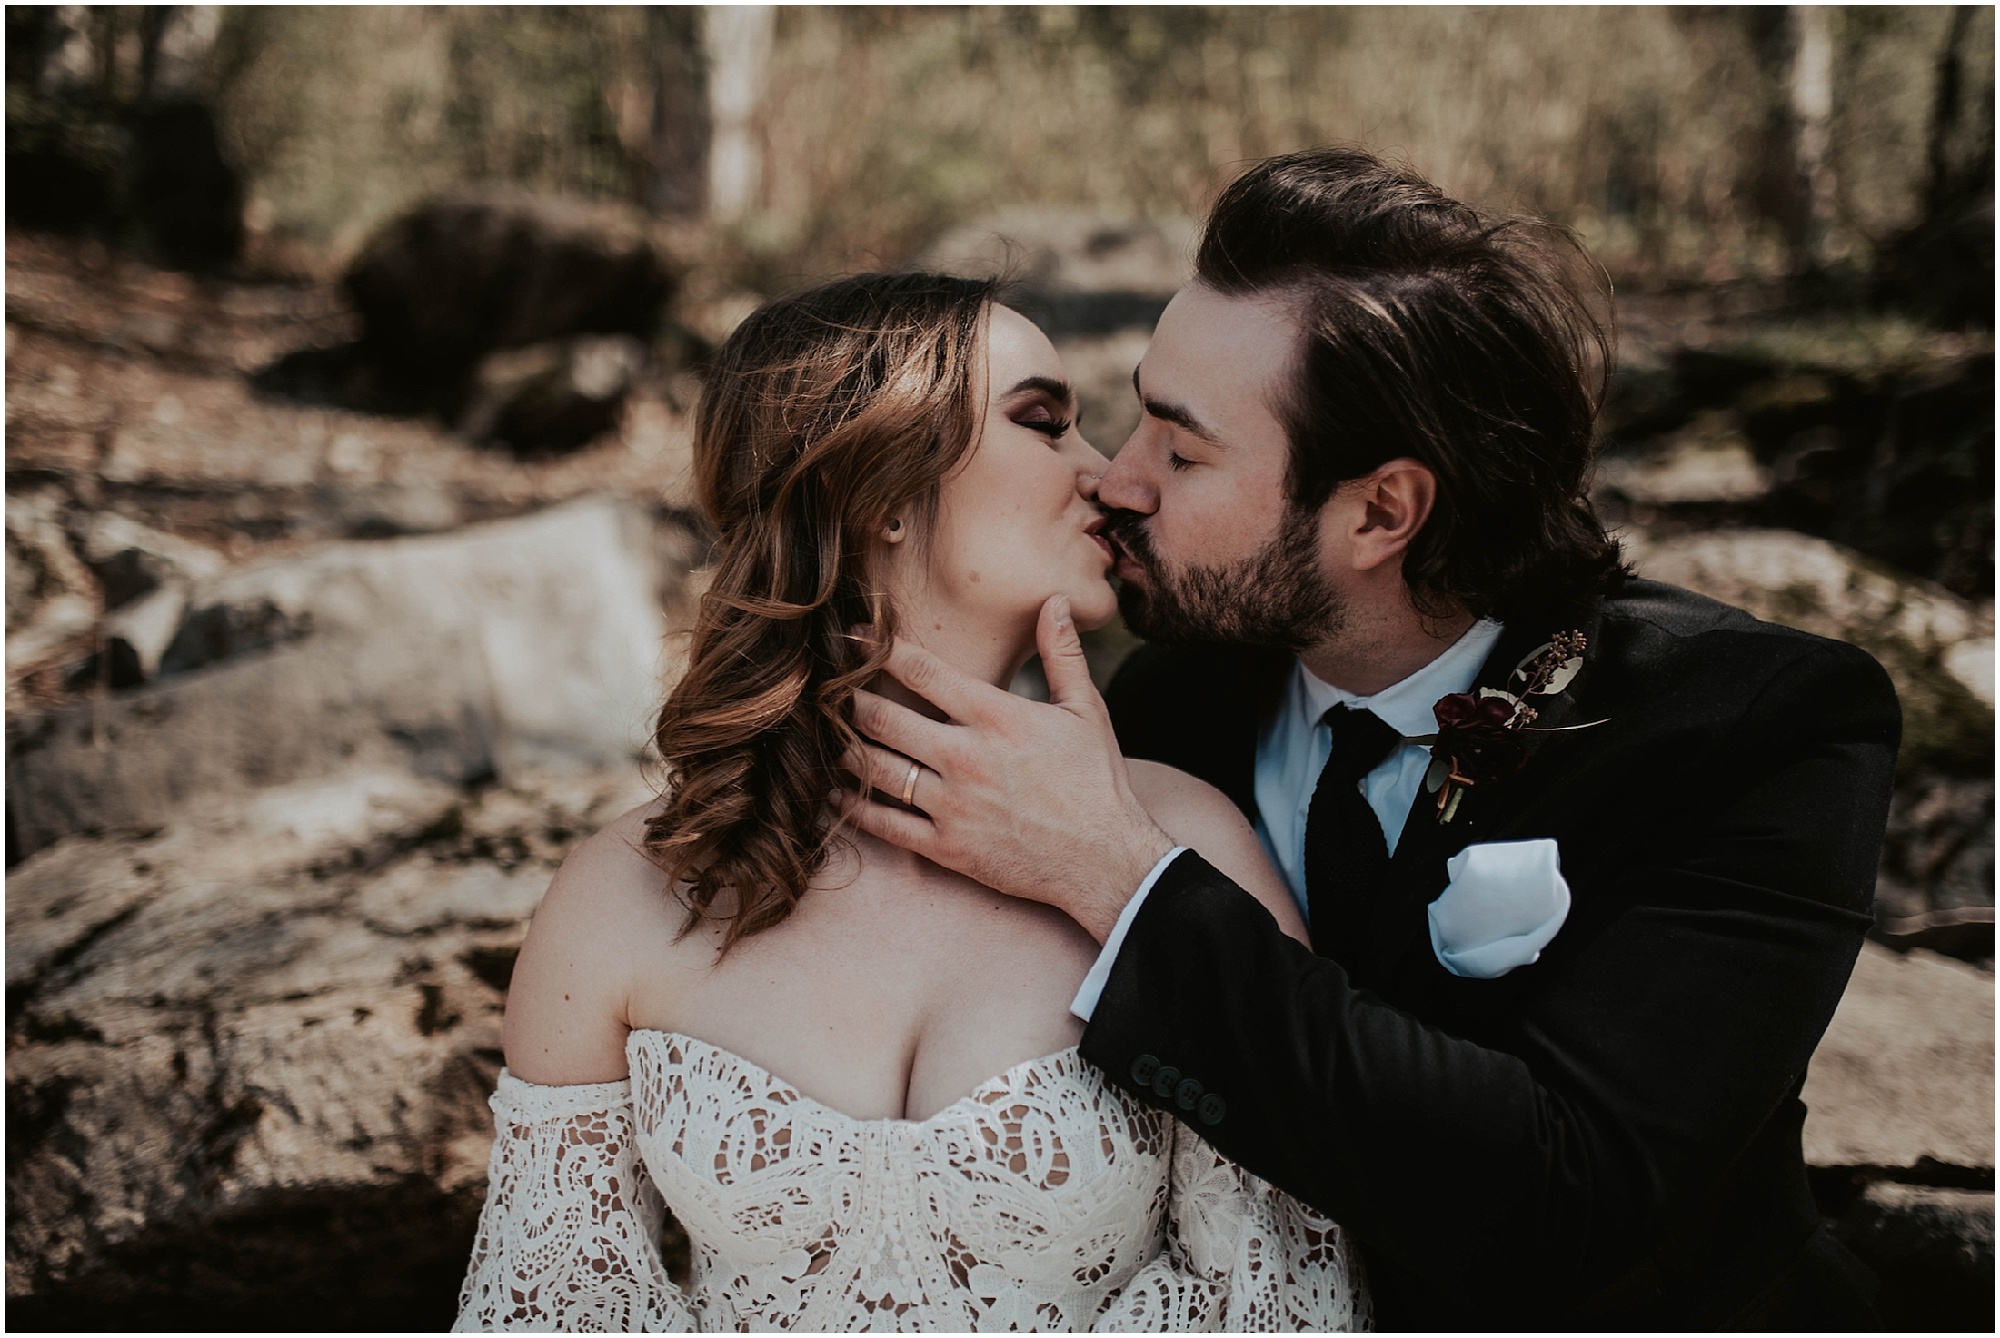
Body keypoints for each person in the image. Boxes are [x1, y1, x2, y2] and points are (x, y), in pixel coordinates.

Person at [836, 149, 1901, 1330]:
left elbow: (1569, 1194)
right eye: (1134, 416)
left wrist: (1118, 878)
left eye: (1182, 453)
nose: (1116, 483)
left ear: (1380, 512)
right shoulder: (1170, 701)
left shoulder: (1754, 727)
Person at [452, 272, 1369, 1331]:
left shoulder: (1189, 844)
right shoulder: (627, 890)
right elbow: (548, 1310)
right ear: (880, 493)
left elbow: (1279, 1301)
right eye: (1043, 423)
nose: (1108, 479)